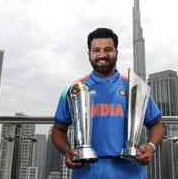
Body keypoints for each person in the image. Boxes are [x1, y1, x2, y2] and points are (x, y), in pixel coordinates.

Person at [51, 28, 165, 179]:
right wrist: (67, 151)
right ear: (89, 54)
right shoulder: (74, 89)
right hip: (86, 173)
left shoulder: (134, 87)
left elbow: (157, 124)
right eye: (96, 50)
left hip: (130, 172)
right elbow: (58, 130)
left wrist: (150, 146)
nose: (102, 55)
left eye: (108, 49)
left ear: (116, 52)